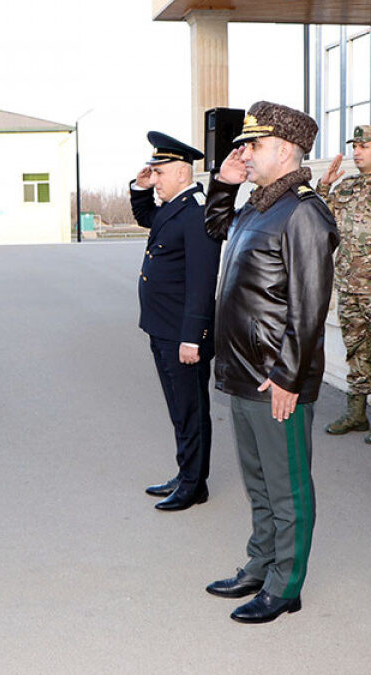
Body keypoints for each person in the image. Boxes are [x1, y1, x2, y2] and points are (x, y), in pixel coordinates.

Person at [202, 102, 338, 624]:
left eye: (254, 145)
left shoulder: (303, 211)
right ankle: (260, 564)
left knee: (288, 487)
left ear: (284, 149)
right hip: (241, 372)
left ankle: (286, 585)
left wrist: (289, 377)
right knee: (257, 480)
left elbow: (308, 308)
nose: (245, 152)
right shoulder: (259, 206)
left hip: (274, 377)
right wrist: (224, 182)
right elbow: (216, 230)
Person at [130, 131, 221, 511]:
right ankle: (186, 472)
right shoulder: (174, 207)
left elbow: (202, 282)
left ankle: (193, 485)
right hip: (161, 326)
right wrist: (140, 186)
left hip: (182, 334)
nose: (156, 179)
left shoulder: (197, 212)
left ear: (183, 173)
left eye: (160, 172)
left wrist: (192, 338)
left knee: (191, 409)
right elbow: (147, 217)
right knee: (178, 407)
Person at [316, 125, 371, 444]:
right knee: (355, 351)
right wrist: (323, 187)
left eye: (364, 145)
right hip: (349, 284)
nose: (357, 151)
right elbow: (322, 219)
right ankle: (356, 413)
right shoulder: (346, 185)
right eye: (354, 145)